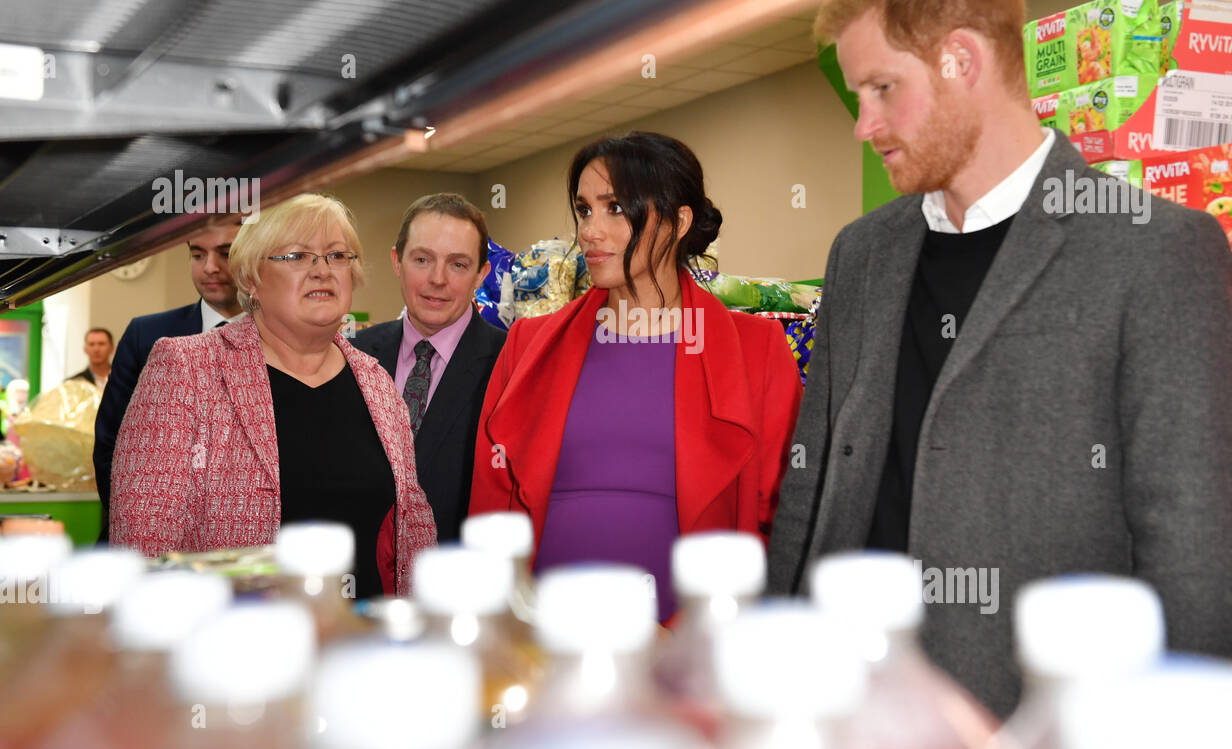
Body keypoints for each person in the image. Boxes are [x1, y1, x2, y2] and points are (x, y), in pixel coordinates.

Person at [766, 0, 1232, 717]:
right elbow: (812, 481)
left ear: (962, 60)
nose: (864, 125)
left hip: (1036, 718)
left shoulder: (1152, 249)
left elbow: (1192, 549)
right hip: (849, 711)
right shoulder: (861, 254)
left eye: (883, 89)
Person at [469, 132, 802, 622]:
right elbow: (490, 511)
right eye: (584, 210)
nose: (590, 231)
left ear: (678, 221)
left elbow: (783, 520)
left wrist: (703, 633)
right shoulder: (527, 345)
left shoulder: (758, 351)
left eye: (616, 208)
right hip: (545, 637)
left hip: (692, 645)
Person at [110, 194, 436, 598]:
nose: (322, 271)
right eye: (298, 256)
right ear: (250, 279)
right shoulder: (187, 369)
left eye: (337, 256)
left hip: (362, 641)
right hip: (236, 645)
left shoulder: (376, 383)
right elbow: (142, 550)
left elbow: (414, 528)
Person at [353, 194, 505, 542]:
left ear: (481, 274)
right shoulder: (355, 357)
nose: (437, 279)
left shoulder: (508, 365)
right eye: (422, 259)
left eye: (458, 265)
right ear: (397, 261)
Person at [93, 223, 243, 540]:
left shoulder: (277, 339)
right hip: (156, 541)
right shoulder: (146, 336)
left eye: (225, 254)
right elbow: (110, 443)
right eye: (197, 254)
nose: (210, 268)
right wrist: (136, 527)